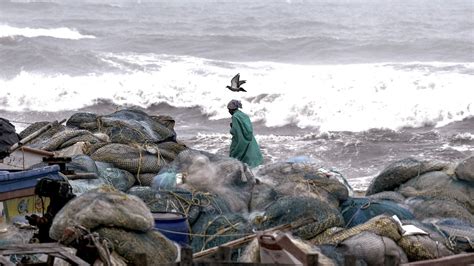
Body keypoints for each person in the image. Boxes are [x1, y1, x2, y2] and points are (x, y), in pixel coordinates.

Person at [227, 99, 263, 167]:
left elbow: (236, 131)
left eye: (229, 109)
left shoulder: (235, 116)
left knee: (236, 153)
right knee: (250, 153)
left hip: (241, 138)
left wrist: (232, 127)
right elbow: (247, 127)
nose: (228, 111)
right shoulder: (243, 115)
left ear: (232, 109)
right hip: (249, 138)